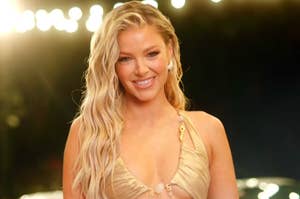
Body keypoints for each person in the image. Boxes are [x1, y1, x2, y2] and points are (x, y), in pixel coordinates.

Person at [63, 1, 239, 199]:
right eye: (125, 59)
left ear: (170, 51)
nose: (141, 69)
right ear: (113, 64)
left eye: (152, 54)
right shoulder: (88, 133)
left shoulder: (209, 129)